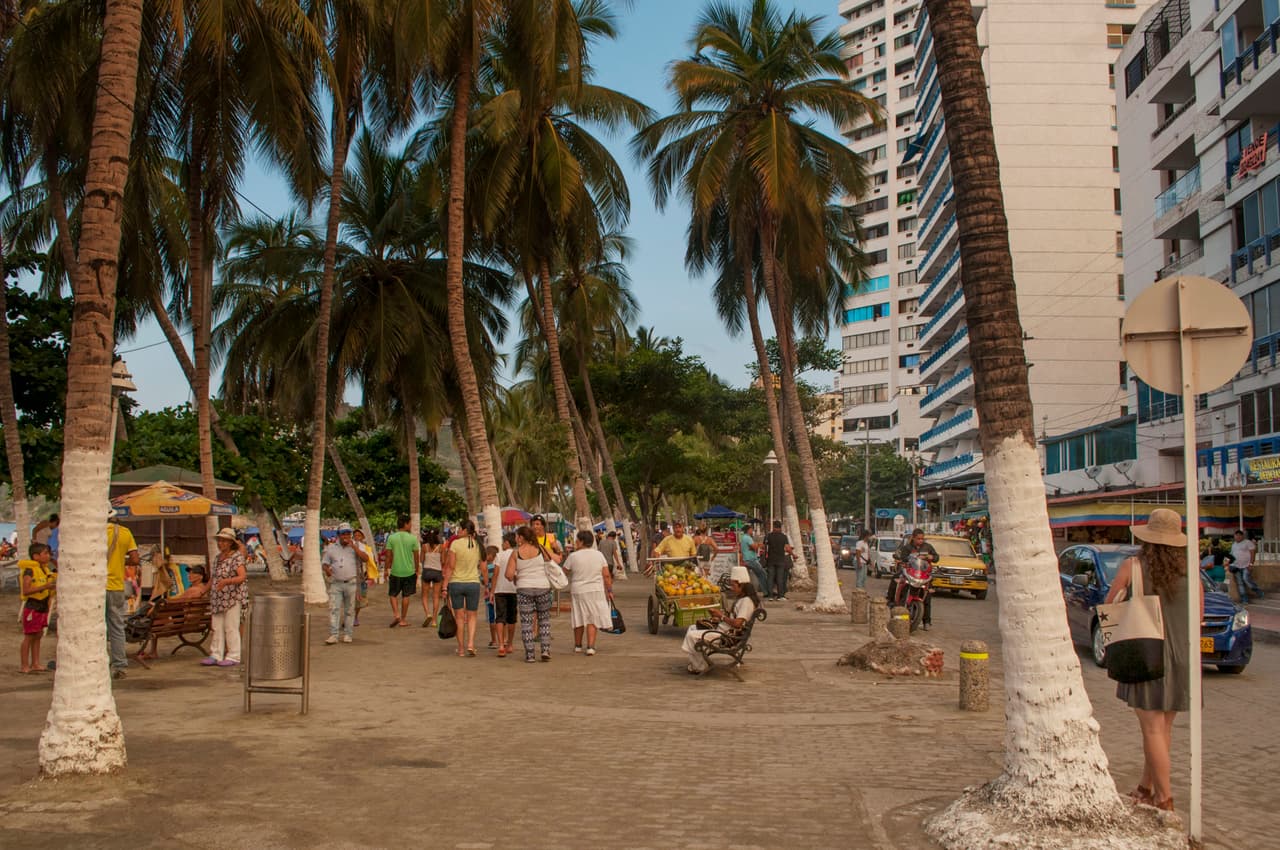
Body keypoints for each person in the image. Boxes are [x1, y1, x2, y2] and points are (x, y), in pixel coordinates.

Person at [1109, 508, 1202, 813]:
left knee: (1151, 730)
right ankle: (1145, 788)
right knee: (1163, 730)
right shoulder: (1191, 572)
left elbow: (1109, 607)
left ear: (1147, 538)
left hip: (1147, 655)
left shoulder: (1132, 567)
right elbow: (1198, 617)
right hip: (1182, 659)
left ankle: (1165, 799)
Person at [681, 565, 759, 674]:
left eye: (733, 585)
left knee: (691, 636)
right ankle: (698, 662)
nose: (732, 588)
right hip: (723, 630)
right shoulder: (742, 598)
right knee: (692, 628)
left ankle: (699, 666)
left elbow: (737, 623)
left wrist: (721, 616)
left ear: (741, 585)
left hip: (726, 635)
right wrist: (719, 616)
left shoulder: (746, 602)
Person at [506, 525, 556, 662]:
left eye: (517, 536)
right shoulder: (541, 549)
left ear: (521, 537)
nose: (516, 539)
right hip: (543, 587)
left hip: (524, 589)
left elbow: (509, 575)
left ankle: (530, 655)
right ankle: (545, 650)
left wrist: (517, 576)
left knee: (527, 622)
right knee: (544, 620)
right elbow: (554, 560)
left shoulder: (516, 553)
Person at [138, 565, 209, 660]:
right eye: (189, 573)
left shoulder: (193, 590)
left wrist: (154, 605)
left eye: (193, 573)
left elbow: (175, 602)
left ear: (200, 576)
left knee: (156, 613)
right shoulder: (203, 590)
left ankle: (152, 651)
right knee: (158, 611)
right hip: (193, 622)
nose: (189, 575)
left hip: (184, 622)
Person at [201, 528, 248, 667]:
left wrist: (227, 581)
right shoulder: (217, 558)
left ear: (230, 543)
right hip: (218, 598)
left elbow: (242, 576)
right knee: (217, 626)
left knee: (231, 627)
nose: (220, 543)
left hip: (232, 597)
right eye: (219, 541)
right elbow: (214, 578)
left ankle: (234, 655)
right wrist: (204, 590)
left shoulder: (236, 557)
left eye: (223, 541)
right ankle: (216, 653)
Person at [564, 530, 614, 656]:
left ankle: (578, 645)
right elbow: (606, 575)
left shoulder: (573, 556)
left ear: (581, 541)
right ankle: (591, 647)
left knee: (578, 616)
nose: (575, 543)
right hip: (595, 590)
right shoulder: (599, 555)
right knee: (592, 617)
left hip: (578, 590)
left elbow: (563, 572)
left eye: (576, 540)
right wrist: (609, 590)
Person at [443, 519, 488, 657]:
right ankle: (471, 644)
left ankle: (461, 648)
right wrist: (486, 584)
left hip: (456, 583)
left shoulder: (455, 544)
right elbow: (484, 568)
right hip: (473, 583)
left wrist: (444, 585)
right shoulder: (478, 545)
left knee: (459, 617)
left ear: (464, 530)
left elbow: (450, 566)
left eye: (459, 529)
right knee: (472, 615)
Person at [106, 509, 140, 680]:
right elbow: (135, 559)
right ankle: (119, 665)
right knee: (117, 627)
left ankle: (100, 661)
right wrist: (120, 561)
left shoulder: (94, 532)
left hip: (96, 587)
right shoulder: (125, 532)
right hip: (117, 586)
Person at [890, 529, 939, 630]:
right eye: (918, 539)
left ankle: (927, 621)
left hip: (923, 574)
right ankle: (890, 600)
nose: (920, 541)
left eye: (922, 539)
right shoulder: (907, 547)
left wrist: (931, 557)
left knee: (928, 595)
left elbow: (936, 557)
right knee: (895, 578)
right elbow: (902, 557)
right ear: (913, 537)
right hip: (910, 572)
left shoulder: (928, 547)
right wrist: (906, 559)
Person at [322, 524, 362, 645]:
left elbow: (366, 559)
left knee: (350, 610)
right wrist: (327, 570)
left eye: (348, 533)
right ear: (339, 535)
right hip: (336, 583)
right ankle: (334, 635)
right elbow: (324, 563)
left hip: (351, 582)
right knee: (334, 609)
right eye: (343, 534)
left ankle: (348, 634)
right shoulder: (331, 548)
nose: (346, 536)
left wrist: (355, 548)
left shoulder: (356, 546)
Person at [19, 543, 55, 673]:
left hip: (43, 607)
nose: (48, 556)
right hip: (32, 607)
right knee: (29, 636)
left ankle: (35, 663)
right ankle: (24, 665)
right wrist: (45, 587)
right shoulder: (29, 570)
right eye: (45, 553)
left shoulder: (45, 570)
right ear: (36, 556)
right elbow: (26, 590)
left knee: (38, 635)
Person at [383, 515, 420, 628]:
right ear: (405, 524)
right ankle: (403, 619)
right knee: (406, 595)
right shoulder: (413, 538)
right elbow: (416, 557)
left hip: (395, 571)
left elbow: (388, 556)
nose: (411, 525)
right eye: (410, 523)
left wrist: (386, 569)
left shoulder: (391, 538)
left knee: (393, 594)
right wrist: (417, 570)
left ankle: (396, 614)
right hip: (409, 571)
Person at [492, 533, 519, 657]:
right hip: (513, 589)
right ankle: (510, 644)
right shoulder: (518, 554)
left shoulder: (499, 555)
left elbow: (496, 574)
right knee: (511, 618)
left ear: (507, 542)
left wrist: (492, 591)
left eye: (503, 542)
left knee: (500, 617)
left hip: (500, 590)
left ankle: (501, 645)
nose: (502, 544)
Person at [351, 528, 379, 626]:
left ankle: (355, 617)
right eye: (355, 535)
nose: (357, 537)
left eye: (359, 535)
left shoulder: (366, 548)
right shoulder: (348, 546)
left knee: (359, 599)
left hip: (361, 576)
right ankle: (348, 617)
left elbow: (368, 560)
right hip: (350, 576)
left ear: (363, 537)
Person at [1229, 529, 1264, 604]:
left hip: (1246, 566)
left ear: (1242, 536)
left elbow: (1252, 553)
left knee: (1246, 579)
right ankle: (1244, 599)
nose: (1237, 538)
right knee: (1240, 583)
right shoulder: (1234, 545)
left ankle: (1258, 591)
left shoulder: (1248, 543)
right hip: (1236, 566)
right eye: (1235, 536)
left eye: (1238, 536)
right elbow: (1231, 555)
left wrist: (1251, 564)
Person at [419, 529, 446, 627]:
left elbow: (421, 560)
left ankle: (428, 614)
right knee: (435, 597)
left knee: (425, 595)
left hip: (427, 571)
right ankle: (434, 620)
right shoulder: (441, 547)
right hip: (437, 572)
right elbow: (443, 561)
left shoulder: (424, 547)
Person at [762, 520, 793, 602]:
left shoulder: (768, 536)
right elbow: (787, 548)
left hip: (770, 560)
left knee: (770, 578)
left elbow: (763, 546)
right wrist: (793, 554)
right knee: (780, 578)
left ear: (774, 527)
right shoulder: (783, 537)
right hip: (780, 560)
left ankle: (770, 596)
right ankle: (780, 596)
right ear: (780, 527)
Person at [736, 524, 768, 591]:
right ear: (748, 530)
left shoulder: (743, 538)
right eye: (751, 529)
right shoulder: (748, 538)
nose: (752, 531)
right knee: (762, 574)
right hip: (751, 559)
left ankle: (749, 590)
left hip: (746, 559)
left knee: (750, 576)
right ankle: (766, 591)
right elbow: (754, 547)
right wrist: (759, 545)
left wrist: (755, 546)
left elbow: (750, 547)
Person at [483, 545, 501, 649]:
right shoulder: (498, 567)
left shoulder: (487, 567)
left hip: (489, 594)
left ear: (490, 556)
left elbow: (483, 579)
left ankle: (494, 640)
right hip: (499, 593)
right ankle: (502, 640)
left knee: (492, 618)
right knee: (500, 617)